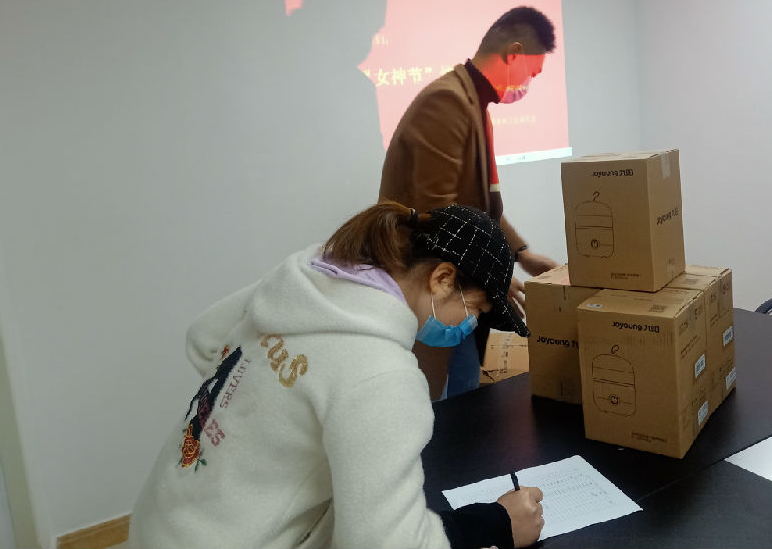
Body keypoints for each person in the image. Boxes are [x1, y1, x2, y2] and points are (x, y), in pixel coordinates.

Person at [128, 202, 544, 549]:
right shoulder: (381, 376)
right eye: (475, 310)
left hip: (162, 518)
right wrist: (495, 525)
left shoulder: (308, 277)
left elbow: (203, 338)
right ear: (442, 279)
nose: (470, 325)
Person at [379, 6, 559, 400]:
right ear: (514, 53)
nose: (528, 84)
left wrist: (523, 254)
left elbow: (482, 208)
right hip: (432, 283)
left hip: (457, 281)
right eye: (531, 72)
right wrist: (493, 277)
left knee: (465, 388)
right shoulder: (447, 101)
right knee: (432, 398)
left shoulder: (474, 105)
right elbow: (437, 216)